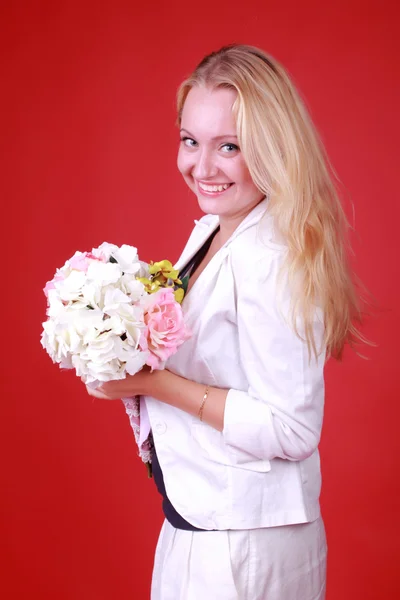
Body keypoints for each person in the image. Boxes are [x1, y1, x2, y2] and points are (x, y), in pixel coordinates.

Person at [84, 45, 368, 599]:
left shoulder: (273, 256)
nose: (202, 167)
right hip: (206, 520)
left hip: (242, 547)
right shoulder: (217, 228)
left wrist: (153, 383)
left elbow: (292, 428)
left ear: (271, 149)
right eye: (190, 141)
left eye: (229, 147)